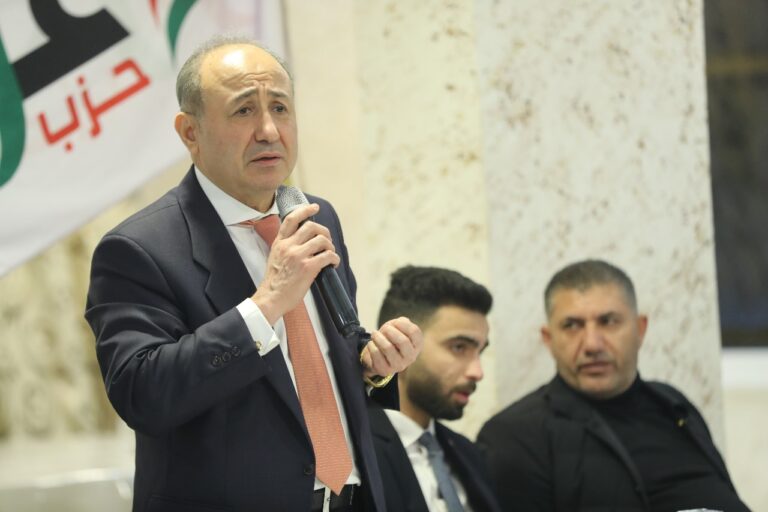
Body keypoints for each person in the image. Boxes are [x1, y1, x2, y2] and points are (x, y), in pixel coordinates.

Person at [85, 34, 423, 512]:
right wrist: (265, 306)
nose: (268, 130)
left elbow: (324, 354)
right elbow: (143, 394)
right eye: (243, 111)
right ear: (190, 132)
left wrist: (371, 365)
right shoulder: (138, 249)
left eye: (280, 108)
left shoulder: (314, 216)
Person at [477, 259, 750, 512]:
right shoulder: (515, 437)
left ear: (640, 329)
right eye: (572, 325)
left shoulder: (673, 405)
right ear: (549, 339)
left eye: (608, 322)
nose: (592, 344)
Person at [368, 265, 502, 512]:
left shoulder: (469, 453)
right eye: (459, 347)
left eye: (479, 351)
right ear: (400, 343)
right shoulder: (352, 450)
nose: (477, 372)